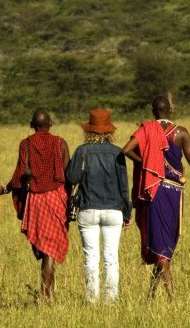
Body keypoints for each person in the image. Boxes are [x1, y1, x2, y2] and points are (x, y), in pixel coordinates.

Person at [122, 96, 190, 300]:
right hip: (173, 192)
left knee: (162, 242)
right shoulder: (181, 133)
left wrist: (146, 163)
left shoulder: (146, 130)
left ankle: (150, 296)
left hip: (154, 189)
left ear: (153, 112)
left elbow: (126, 150)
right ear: (170, 110)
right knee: (163, 242)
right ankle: (172, 297)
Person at [0, 109, 70, 301]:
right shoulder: (60, 143)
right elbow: (68, 175)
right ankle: (47, 295)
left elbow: (20, 175)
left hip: (35, 200)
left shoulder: (25, 144)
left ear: (32, 126)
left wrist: (5, 189)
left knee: (46, 250)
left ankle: (46, 295)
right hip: (57, 198)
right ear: (50, 124)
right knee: (49, 250)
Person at [65, 109, 132, 303]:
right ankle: (110, 301)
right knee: (111, 257)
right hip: (114, 210)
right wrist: (127, 213)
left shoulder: (82, 151)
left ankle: (91, 300)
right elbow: (123, 186)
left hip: (88, 209)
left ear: (89, 130)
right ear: (109, 130)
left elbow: (72, 177)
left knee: (91, 257)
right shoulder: (118, 152)